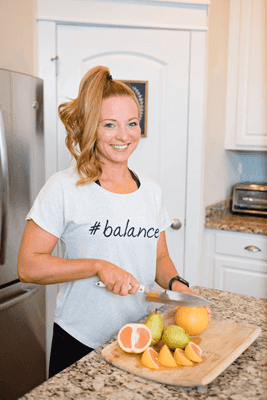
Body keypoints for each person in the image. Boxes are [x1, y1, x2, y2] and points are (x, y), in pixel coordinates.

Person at [17, 65, 211, 378]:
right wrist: (97, 266)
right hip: (80, 340)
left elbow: (159, 256)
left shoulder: (150, 190)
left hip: (139, 336)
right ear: (92, 128)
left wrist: (177, 287)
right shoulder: (65, 187)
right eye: (110, 124)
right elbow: (27, 265)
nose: (124, 135)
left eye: (132, 123)